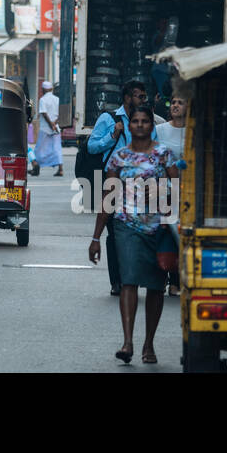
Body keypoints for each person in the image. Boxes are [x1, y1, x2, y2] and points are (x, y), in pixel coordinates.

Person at [87, 103, 180, 365]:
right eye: (135, 121)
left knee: (154, 287)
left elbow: (179, 189)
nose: (140, 125)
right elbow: (108, 197)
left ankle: (148, 343)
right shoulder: (119, 158)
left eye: (145, 121)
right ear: (129, 126)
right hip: (125, 226)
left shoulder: (164, 156)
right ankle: (127, 341)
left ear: (152, 125)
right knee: (128, 281)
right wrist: (95, 238)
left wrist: (164, 193)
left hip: (158, 229)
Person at [89, 79, 155, 296]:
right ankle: (117, 281)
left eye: (144, 97)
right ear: (127, 98)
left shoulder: (146, 120)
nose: (142, 100)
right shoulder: (109, 119)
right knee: (114, 233)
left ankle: (136, 276)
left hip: (140, 184)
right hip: (113, 181)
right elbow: (92, 146)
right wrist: (113, 135)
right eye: (139, 96)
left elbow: (154, 146)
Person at [156, 93, 188, 296]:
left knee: (184, 235)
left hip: (190, 190)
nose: (175, 105)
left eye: (180, 102)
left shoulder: (194, 130)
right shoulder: (160, 130)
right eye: (173, 102)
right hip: (166, 190)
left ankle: (184, 280)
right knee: (168, 234)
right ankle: (170, 281)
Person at [35, 81, 63, 177]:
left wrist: (51, 125)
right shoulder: (57, 99)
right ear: (51, 89)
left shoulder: (42, 100)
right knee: (57, 148)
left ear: (43, 89)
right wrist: (54, 124)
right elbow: (60, 113)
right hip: (56, 128)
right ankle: (60, 169)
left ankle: (36, 168)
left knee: (39, 149)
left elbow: (44, 113)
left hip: (45, 128)